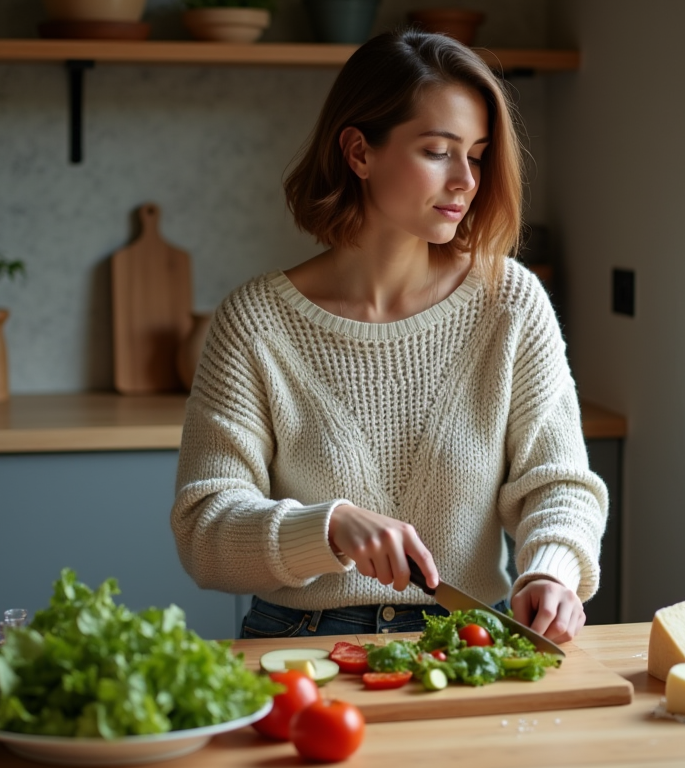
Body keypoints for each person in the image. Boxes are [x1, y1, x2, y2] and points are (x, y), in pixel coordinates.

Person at [171, 29, 608, 644]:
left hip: (470, 642)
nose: (466, 181)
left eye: (477, 155)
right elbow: (203, 530)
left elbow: (559, 483)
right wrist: (328, 528)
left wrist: (551, 573)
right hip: (302, 647)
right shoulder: (255, 322)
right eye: (438, 151)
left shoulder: (509, 301)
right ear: (359, 152)